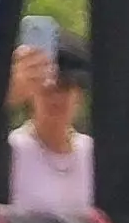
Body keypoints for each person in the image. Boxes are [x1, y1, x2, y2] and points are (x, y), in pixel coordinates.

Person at [7, 29, 96, 210]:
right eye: (48, 89)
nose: (56, 99)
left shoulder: (93, 154)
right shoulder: (12, 151)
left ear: (78, 94)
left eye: (65, 88)